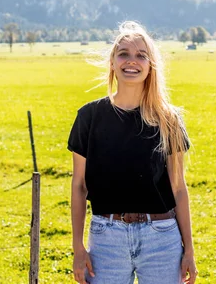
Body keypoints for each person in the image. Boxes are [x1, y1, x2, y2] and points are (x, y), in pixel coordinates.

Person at [68, 21, 198, 284]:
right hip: (106, 240)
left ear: (151, 66)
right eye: (124, 53)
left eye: (141, 55)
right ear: (113, 63)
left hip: (162, 238)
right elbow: (79, 185)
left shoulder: (168, 119)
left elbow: (179, 188)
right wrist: (78, 247)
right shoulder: (89, 116)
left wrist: (189, 249)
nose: (132, 61)